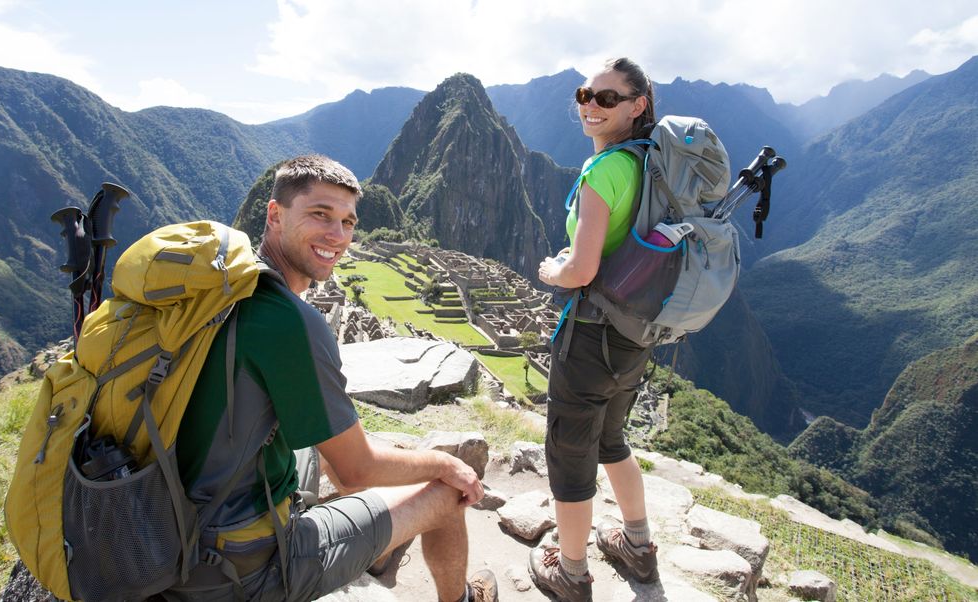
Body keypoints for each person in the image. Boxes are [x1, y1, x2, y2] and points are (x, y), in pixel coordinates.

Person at [166, 155, 498, 602]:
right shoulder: (290, 322)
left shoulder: (221, 288)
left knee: (318, 447)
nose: (337, 236)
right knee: (445, 493)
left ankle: (375, 552)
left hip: (172, 520)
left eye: (347, 221)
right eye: (320, 215)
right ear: (274, 214)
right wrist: (446, 463)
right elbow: (356, 467)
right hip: (241, 565)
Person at [529, 58, 660, 601]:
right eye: (586, 94)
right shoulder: (651, 162)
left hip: (591, 336)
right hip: (636, 332)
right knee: (612, 437)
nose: (591, 105)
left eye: (607, 98)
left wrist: (552, 270)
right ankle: (638, 545)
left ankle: (573, 571)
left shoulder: (604, 170)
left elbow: (580, 271)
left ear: (637, 106)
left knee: (570, 451)